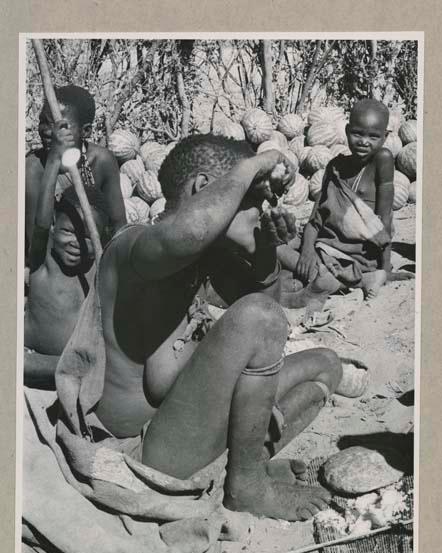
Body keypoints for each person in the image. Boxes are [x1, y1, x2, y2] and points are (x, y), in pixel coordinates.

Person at [67, 134, 342, 522]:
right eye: (255, 200)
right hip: (140, 455)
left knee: (326, 366)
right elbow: (197, 238)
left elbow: (267, 301)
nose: (264, 210)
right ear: (202, 189)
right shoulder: (137, 247)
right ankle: (247, 486)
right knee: (258, 317)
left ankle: (246, 465)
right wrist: (251, 167)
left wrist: (265, 248)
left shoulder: (203, 259)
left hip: (182, 430)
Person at [277, 99, 396, 309]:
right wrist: (307, 250)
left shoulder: (382, 160)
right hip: (325, 245)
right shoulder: (335, 167)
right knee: (277, 249)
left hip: (356, 256)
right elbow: (316, 219)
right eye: (357, 133)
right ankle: (324, 279)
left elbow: (384, 223)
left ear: (385, 137)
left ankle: (326, 278)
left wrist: (385, 270)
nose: (364, 142)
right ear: (347, 130)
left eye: (373, 136)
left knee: (278, 254)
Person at [24, 119, 106, 389]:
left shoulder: (99, 271)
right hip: (34, 359)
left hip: (74, 368)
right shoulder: (43, 260)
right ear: (54, 227)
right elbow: (41, 217)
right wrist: (54, 160)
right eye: (69, 232)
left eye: (86, 238)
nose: (76, 244)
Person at [25, 84, 125, 263]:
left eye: (61, 126)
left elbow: (118, 227)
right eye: (44, 122)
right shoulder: (34, 168)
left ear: (85, 131)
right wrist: (54, 159)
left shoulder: (102, 162)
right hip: (48, 265)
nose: (49, 132)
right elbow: (36, 242)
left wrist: (98, 253)